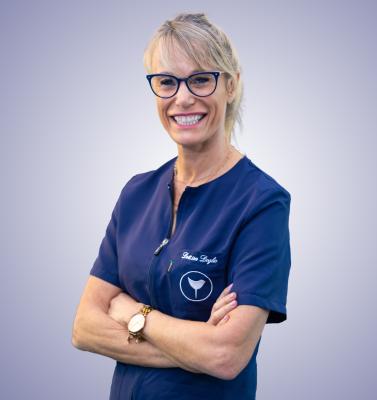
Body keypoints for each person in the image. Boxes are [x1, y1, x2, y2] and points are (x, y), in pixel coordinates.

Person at [72, 12, 292, 400]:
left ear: (231, 85)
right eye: (167, 82)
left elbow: (226, 355)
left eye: (201, 79)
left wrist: (133, 313)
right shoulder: (136, 194)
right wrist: (196, 345)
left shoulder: (261, 203)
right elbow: (84, 328)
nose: (183, 97)